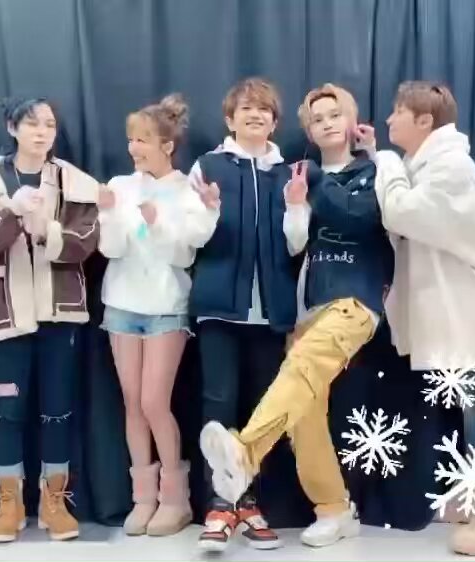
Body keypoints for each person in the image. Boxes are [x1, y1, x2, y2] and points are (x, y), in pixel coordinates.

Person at [199, 83, 393, 548]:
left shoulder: (375, 169)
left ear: (352, 120)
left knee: (301, 369)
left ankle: (245, 451)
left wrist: (362, 159)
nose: (326, 124)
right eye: (317, 119)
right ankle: (334, 508)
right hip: (309, 307)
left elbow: (357, 216)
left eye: (335, 115)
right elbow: (294, 241)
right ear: (307, 129)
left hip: (355, 300)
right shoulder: (297, 175)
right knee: (302, 410)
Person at [373, 81, 475, 556]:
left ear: (425, 121)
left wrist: (384, 162)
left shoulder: (451, 168)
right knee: (474, 405)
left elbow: (403, 212)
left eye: (398, 112)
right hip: (465, 314)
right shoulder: (429, 167)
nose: (389, 120)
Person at [0, 97, 100, 543]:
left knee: (58, 409)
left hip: (59, 313)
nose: (42, 132)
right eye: (32, 123)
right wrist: (13, 211)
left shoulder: (74, 181)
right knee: (8, 411)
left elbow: (87, 239)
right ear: (12, 128)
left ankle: (55, 502)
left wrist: (46, 230)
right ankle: (8, 503)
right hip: (8, 314)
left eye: (49, 124)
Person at [187, 77, 304, 552]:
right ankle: (219, 506)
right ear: (230, 119)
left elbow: (296, 245)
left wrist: (296, 208)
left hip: (270, 314)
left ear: (274, 122)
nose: (255, 116)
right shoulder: (208, 166)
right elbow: (191, 240)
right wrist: (208, 212)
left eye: (264, 110)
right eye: (246, 109)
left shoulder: (288, 173)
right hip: (219, 310)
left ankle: (249, 504)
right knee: (218, 406)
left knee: (261, 414)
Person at [97, 94, 219, 537]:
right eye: (131, 139)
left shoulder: (188, 189)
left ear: (167, 145)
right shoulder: (121, 185)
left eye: (143, 140)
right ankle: (143, 498)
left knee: (154, 402)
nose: (134, 147)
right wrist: (108, 215)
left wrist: (157, 223)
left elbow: (185, 253)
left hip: (167, 307)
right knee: (132, 403)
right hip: (121, 304)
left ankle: (175, 499)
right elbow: (110, 249)